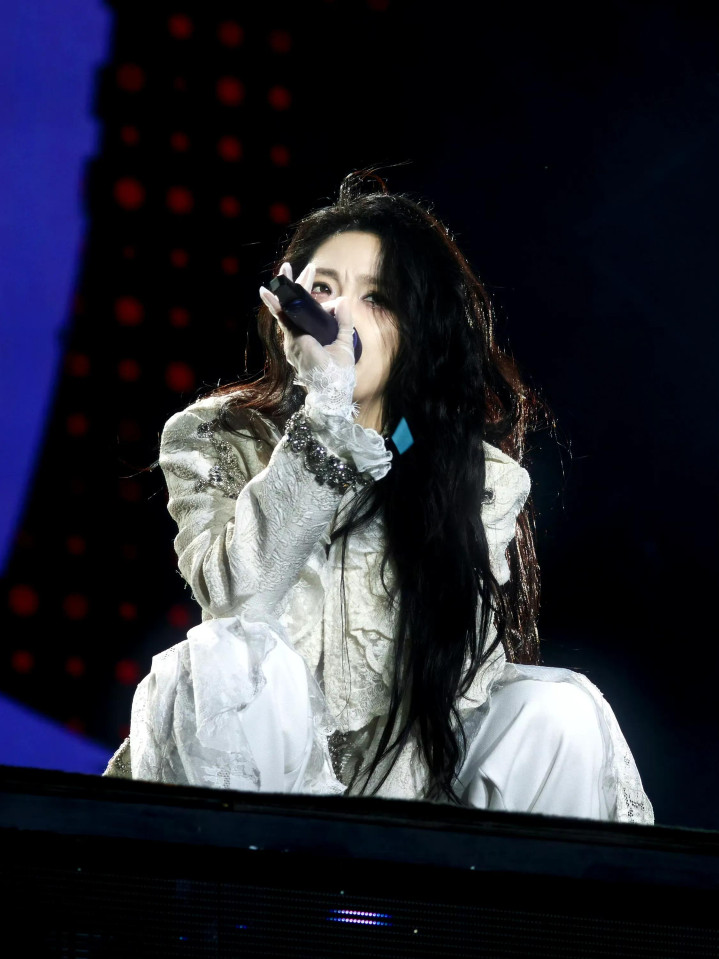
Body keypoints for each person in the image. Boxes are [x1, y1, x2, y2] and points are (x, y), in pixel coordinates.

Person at [103, 170, 653, 823]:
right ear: (285, 311)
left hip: (405, 800)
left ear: (418, 328)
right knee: (224, 657)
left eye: (377, 297)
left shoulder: (479, 476)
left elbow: (448, 693)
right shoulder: (216, 434)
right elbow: (241, 601)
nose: (340, 313)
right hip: (258, 786)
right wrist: (326, 410)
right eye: (322, 289)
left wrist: (362, 848)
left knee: (557, 710)